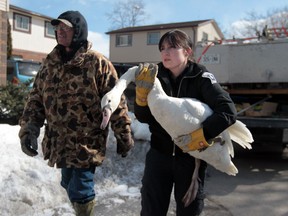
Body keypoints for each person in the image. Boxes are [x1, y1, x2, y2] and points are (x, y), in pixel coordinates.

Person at [18, 10, 134, 216]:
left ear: (78, 31)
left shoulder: (97, 63)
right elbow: (36, 99)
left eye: (66, 28)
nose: (60, 32)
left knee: (81, 190)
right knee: (68, 183)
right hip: (59, 141)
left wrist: (123, 134)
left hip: (86, 143)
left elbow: (116, 101)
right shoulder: (50, 64)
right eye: (58, 29)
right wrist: (29, 129)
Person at [134, 29, 237, 216]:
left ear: (187, 52)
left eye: (172, 47)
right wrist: (141, 99)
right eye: (162, 48)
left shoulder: (201, 77)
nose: (165, 52)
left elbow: (227, 111)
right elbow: (143, 117)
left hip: (190, 160)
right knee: (151, 210)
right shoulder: (153, 76)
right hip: (159, 155)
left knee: (189, 212)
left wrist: (201, 135)